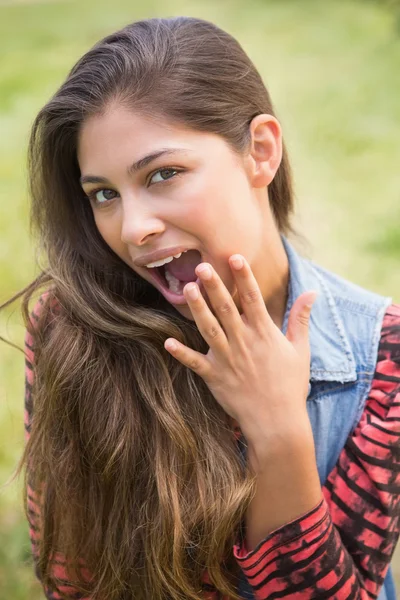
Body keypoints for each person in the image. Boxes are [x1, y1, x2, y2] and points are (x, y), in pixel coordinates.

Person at [4, 15, 400, 600]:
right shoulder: (71, 330)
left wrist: (279, 431)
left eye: (163, 174)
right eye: (104, 194)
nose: (133, 228)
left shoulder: (381, 356)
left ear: (260, 151)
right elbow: (72, 582)